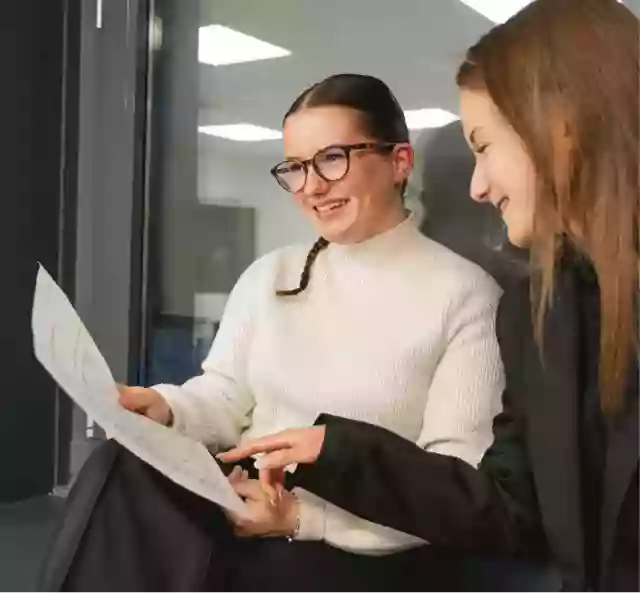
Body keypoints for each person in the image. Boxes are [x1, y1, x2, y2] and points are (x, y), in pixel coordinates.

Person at [219, 1, 640, 591]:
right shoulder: (540, 313)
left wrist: (305, 516)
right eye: (296, 168)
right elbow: (510, 508)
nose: (477, 185)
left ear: (561, 131)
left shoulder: (475, 298)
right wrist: (334, 451)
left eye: (486, 145)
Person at [40, 73, 506, 592]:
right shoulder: (271, 275)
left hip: (356, 549)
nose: (311, 186)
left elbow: (454, 482)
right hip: (242, 507)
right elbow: (224, 396)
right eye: (296, 168)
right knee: (119, 465)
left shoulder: (465, 295)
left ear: (399, 161)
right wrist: (165, 408)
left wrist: (302, 521)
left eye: (332, 158)